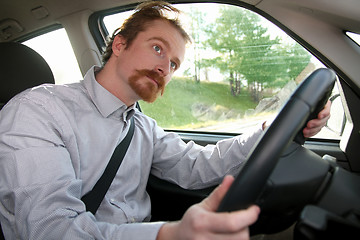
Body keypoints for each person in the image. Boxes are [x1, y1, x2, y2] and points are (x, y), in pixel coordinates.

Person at [0, 1, 331, 239]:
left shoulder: (143, 128)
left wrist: (269, 130)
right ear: (120, 44)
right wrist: (169, 235)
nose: (164, 69)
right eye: (157, 49)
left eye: (174, 64)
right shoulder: (37, 111)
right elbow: (50, 230)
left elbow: (197, 165)